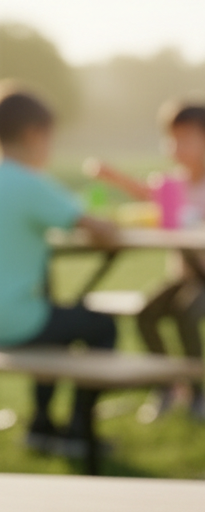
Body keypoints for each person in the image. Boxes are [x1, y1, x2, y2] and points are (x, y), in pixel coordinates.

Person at [86, 101, 205, 418]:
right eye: (173, 138)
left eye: (186, 138)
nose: (177, 146)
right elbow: (144, 193)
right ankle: (168, 386)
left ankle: (199, 394)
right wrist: (112, 176)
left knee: (186, 312)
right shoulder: (172, 184)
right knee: (145, 314)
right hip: (183, 277)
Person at [0, 85, 118, 457]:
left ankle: (41, 425)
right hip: (14, 320)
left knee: (56, 320)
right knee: (101, 326)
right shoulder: (30, 183)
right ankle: (79, 431)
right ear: (35, 134)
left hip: (15, 316)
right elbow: (97, 227)